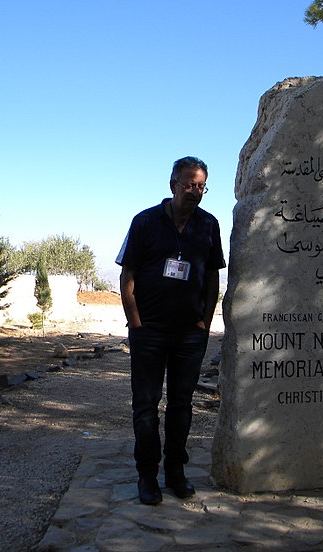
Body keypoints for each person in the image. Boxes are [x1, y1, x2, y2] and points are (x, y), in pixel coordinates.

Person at [115, 156, 225, 505]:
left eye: (201, 186)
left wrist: (205, 323)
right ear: (173, 184)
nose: (195, 191)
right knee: (146, 405)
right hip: (150, 331)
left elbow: (211, 276)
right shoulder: (145, 221)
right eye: (189, 184)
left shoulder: (209, 225)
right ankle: (147, 476)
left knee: (182, 405)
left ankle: (175, 472)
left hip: (189, 334)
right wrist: (136, 324)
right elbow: (127, 275)